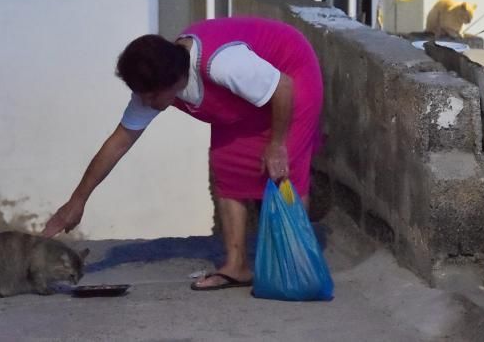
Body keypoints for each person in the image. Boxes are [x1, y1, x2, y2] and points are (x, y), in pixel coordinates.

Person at [42, 16, 323, 290]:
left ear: (176, 82)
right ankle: (237, 266)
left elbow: (282, 86)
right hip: (243, 98)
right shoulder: (154, 84)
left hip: (290, 74)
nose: (146, 103)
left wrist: (277, 145)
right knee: (228, 165)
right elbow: (119, 142)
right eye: (142, 96)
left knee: (283, 169)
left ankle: (295, 268)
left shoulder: (223, 65)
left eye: (151, 97)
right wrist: (77, 201)